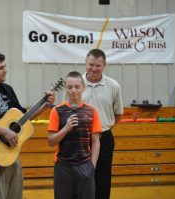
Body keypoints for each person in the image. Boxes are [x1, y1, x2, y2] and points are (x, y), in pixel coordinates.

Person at [0, 50, 55, 199]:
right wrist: (4, 132)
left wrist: (45, 106)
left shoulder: (7, 89)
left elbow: (23, 118)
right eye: (0, 68)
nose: (5, 70)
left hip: (11, 155)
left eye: (5, 67)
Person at [48, 71, 102, 199]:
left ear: (83, 87)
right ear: (65, 88)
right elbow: (51, 141)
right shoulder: (56, 111)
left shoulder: (92, 111)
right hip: (63, 167)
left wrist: (92, 165)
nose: (73, 90)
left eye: (77, 87)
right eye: (69, 87)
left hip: (84, 165)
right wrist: (66, 128)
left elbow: (95, 141)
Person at [82, 49, 124, 199]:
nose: (94, 68)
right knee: (82, 177)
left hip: (104, 138)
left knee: (103, 178)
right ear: (85, 63)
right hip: (80, 139)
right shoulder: (75, 85)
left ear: (104, 65)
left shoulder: (113, 85)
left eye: (98, 65)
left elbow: (118, 114)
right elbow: (65, 111)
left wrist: (104, 127)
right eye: (91, 64)